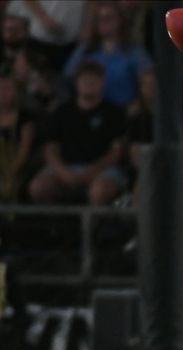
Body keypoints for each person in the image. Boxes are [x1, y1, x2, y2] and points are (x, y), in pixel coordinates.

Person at [28, 60, 126, 205]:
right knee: (39, 187)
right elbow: (50, 149)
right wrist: (63, 172)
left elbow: (116, 151)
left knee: (100, 191)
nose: (88, 83)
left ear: (102, 82)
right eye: (84, 79)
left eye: (93, 79)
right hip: (66, 168)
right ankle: (55, 226)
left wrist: (92, 172)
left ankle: (92, 227)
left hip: (102, 170)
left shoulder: (114, 113)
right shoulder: (62, 112)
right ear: (76, 82)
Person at [63, 1, 151, 108]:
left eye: (108, 17)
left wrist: (139, 105)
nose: (103, 22)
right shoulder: (86, 49)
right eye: (99, 19)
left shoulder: (134, 52)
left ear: (120, 20)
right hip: (90, 110)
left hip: (122, 112)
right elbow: (68, 76)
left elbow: (148, 80)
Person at [0, 70, 34, 202]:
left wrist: (10, 172)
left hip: (17, 167)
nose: (3, 93)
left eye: (7, 89)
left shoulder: (25, 118)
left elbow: (25, 148)